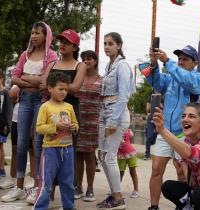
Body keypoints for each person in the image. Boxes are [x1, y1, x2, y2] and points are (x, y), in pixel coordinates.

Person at [1, 21, 57, 203]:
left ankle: (39, 187)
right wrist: (30, 80)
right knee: (21, 143)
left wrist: (24, 79)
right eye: (32, 33)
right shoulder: (25, 55)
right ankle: (18, 187)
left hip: (40, 101)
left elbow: (45, 82)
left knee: (39, 143)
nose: (33, 36)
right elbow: (14, 77)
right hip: (24, 100)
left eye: (37, 33)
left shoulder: (51, 56)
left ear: (46, 36)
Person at [143, 45, 200, 210]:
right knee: (156, 169)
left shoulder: (198, 78)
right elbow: (155, 81)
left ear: (195, 62)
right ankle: (154, 206)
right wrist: (154, 64)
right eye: (179, 59)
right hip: (165, 131)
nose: (181, 61)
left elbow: (186, 81)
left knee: (182, 173)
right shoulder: (170, 77)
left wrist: (168, 62)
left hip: (185, 135)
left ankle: (185, 204)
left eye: (185, 59)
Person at [96, 32, 134, 210]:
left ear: (119, 45)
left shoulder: (123, 65)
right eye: (105, 43)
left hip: (115, 114)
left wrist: (113, 122)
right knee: (102, 155)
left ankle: (118, 198)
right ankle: (114, 194)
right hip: (104, 111)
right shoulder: (109, 67)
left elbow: (124, 95)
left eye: (110, 43)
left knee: (110, 156)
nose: (106, 46)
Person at [34, 71, 78, 210]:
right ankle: (40, 207)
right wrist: (55, 126)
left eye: (66, 89)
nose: (64, 92)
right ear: (50, 88)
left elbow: (76, 124)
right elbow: (39, 128)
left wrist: (73, 127)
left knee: (68, 183)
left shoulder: (69, 107)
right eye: (60, 89)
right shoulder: (45, 107)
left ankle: (69, 207)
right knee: (46, 183)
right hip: (50, 150)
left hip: (68, 150)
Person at [51, 29, 86, 197]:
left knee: (68, 153)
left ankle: (68, 195)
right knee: (48, 150)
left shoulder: (80, 65)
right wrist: (65, 86)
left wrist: (55, 85)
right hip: (50, 110)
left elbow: (75, 88)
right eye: (61, 41)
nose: (62, 44)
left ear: (75, 46)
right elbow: (43, 84)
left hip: (69, 112)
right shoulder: (52, 63)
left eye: (66, 42)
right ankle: (47, 193)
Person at [75, 50, 102, 202]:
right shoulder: (77, 78)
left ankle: (90, 189)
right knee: (78, 156)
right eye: (84, 58)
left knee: (90, 156)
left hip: (93, 123)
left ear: (95, 61)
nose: (87, 61)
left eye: (90, 58)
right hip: (77, 121)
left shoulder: (101, 80)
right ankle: (78, 187)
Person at [0, 85, 36, 190]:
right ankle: (13, 178)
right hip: (17, 117)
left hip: (32, 117)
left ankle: (33, 179)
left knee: (32, 150)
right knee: (15, 149)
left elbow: (15, 93)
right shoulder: (20, 77)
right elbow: (12, 94)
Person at [118, 128, 139, 198]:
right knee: (120, 173)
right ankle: (116, 189)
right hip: (120, 155)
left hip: (130, 154)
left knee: (133, 172)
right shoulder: (116, 130)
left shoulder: (129, 131)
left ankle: (136, 190)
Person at [144, 95, 158, 160]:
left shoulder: (163, 95)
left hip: (159, 118)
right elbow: (147, 109)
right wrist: (152, 103)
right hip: (150, 118)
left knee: (158, 137)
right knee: (149, 136)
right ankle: (147, 154)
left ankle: (158, 155)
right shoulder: (150, 97)